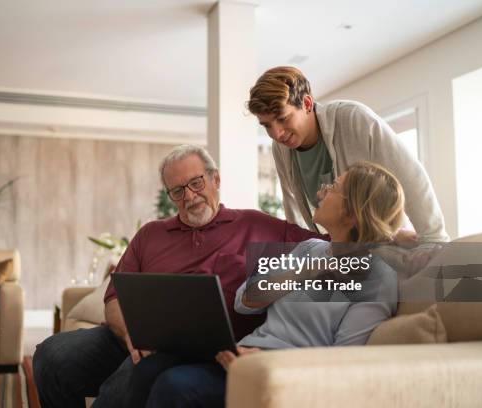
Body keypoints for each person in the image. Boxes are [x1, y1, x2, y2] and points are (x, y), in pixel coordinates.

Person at [32, 145, 323, 408]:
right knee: (52, 355)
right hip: (136, 339)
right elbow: (114, 298)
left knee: (143, 370)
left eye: (196, 183)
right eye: (178, 191)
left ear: (215, 180)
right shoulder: (150, 234)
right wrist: (130, 334)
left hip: (206, 351)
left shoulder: (258, 225)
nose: (190, 197)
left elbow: (334, 251)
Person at [131, 161, 404, 408]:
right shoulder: (310, 249)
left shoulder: (378, 280)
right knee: (149, 368)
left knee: (175, 386)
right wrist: (305, 271)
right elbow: (245, 301)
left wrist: (266, 364)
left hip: (282, 374)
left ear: (352, 212)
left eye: (333, 188)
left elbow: (343, 362)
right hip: (246, 355)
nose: (321, 192)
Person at [247, 66, 448, 243]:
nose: (276, 133)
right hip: (344, 252)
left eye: (282, 118)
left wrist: (434, 242)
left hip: (386, 245)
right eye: (266, 125)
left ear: (307, 103)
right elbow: (292, 207)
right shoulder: (280, 148)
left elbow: (411, 177)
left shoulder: (354, 119)